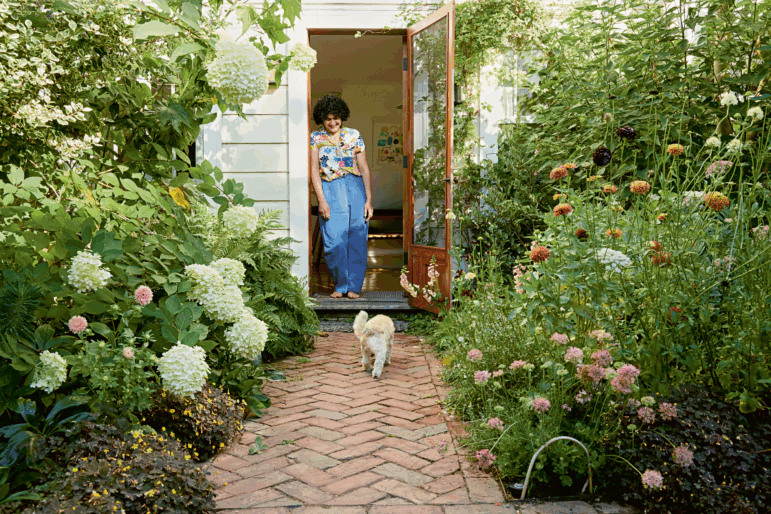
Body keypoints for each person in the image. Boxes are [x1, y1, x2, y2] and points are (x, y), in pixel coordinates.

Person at [310, 94, 374, 299]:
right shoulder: (315, 138)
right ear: (322, 119)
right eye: (328, 118)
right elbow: (313, 171)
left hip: (355, 186)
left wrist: (368, 200)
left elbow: (364, 167)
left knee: (357, 237)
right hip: (329, 187)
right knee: (333, 238)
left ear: (342, 117)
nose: (332, 122)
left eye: (336, 117)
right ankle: (340, 285)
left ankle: (354, 287)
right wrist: (321, 200)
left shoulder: (354, 135)